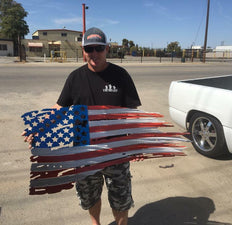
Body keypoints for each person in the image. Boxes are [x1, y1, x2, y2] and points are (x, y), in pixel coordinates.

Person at [24, 27, 141, 225]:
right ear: (83, 50)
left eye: (99, 48)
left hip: (115, 151)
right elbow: (59, 108)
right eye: (89, 49)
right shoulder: (75, 78)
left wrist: (135, 142)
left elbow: (132, 113)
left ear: (107, 49)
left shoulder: (121, 75)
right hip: (83, 150)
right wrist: (40, 127)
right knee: (90, 197)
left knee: (121, 201)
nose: (94, 53)